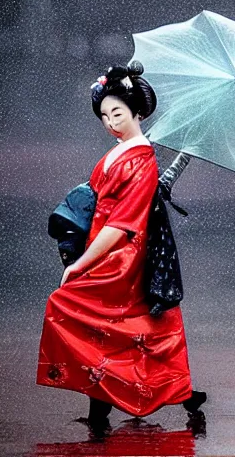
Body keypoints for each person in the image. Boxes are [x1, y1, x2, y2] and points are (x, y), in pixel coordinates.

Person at [36, 61, 206, 429]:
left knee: (73, 308)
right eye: (104, 115)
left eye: (118, 113)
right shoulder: (124, 151)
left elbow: (122, 224)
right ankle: (115, 407)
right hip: (103, 246)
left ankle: (166, 396)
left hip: (122, 256)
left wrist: (81, 264)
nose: (111, 122)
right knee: (122, 330)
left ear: (137, 112)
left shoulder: (141, 161)